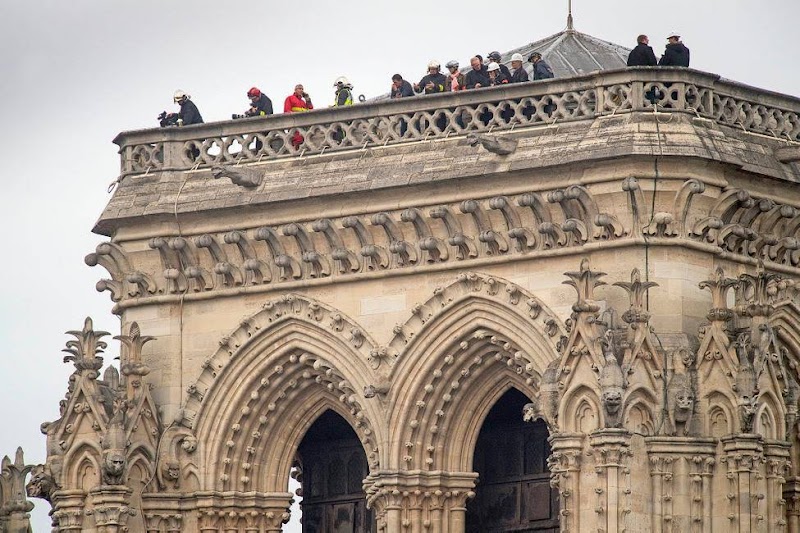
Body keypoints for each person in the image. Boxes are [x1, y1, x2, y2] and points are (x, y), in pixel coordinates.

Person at [284, 84, 313, 148]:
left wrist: (308, 100)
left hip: (303, 124)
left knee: (304, 139)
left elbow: (310, 110)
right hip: (294, 123)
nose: (301, 90)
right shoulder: (290, 98)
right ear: (295, 90)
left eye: (302, 89)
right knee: (296, 140)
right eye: (299, 89)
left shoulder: (303, 101)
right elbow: (287, 111)